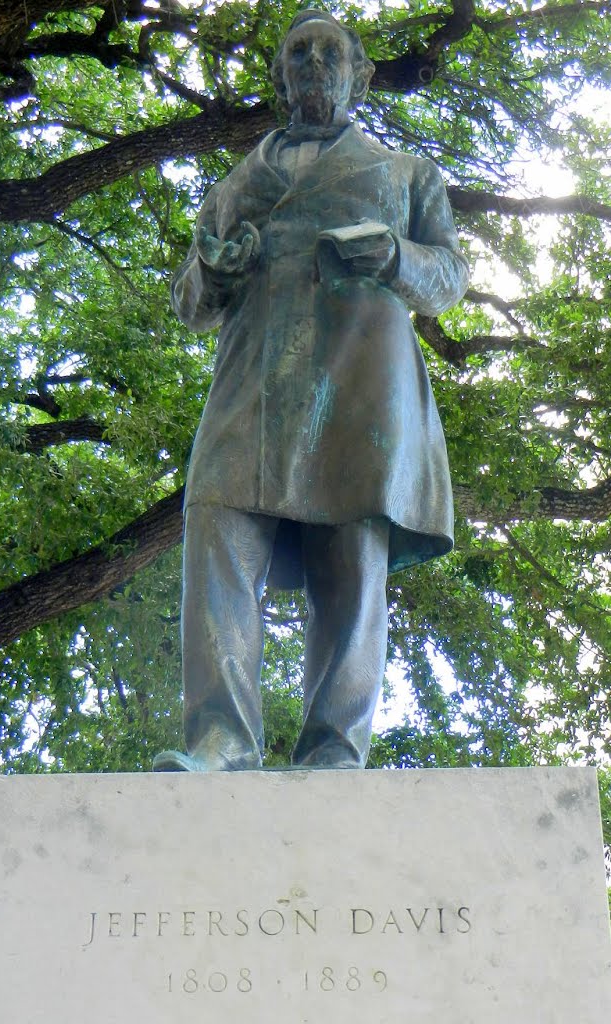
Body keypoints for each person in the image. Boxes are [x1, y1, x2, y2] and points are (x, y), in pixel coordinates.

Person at [153, 8, 469, 773]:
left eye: (332, 54)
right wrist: (213, 273)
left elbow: (449, 279)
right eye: (299, 54)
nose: (314, 66)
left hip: (360, 388)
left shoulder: (407, 175)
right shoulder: (236, 182)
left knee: (349, 565)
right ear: (280, 78)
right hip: (250, 382)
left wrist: (393, 254)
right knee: (216, 533)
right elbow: (190, 303)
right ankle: (221, 743)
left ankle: (333, 749)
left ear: (360, 77)